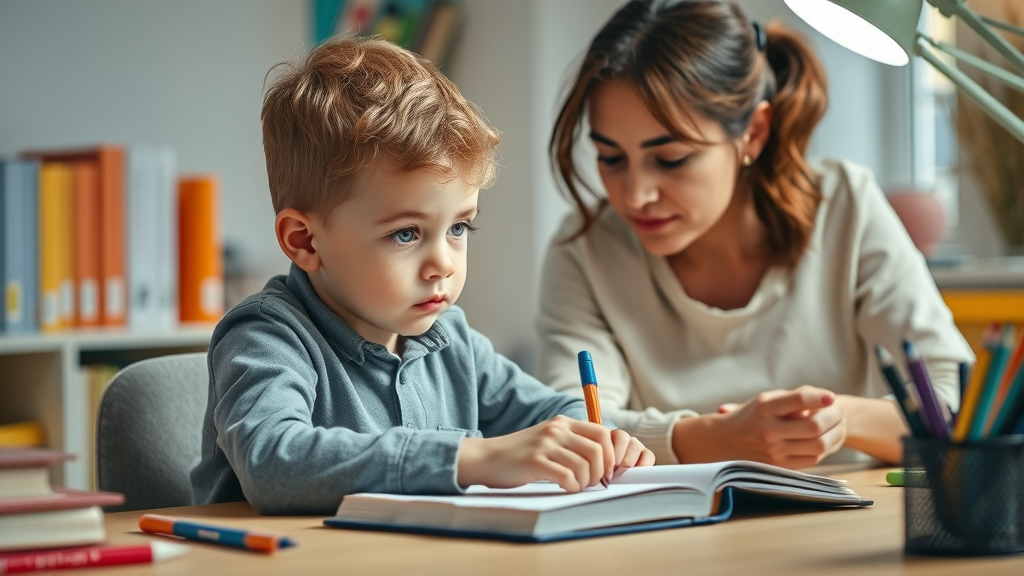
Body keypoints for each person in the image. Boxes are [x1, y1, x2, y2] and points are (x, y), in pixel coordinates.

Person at [190, 37, 654, 515]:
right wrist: (471, 457)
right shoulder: (267, 336)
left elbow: (549, 413)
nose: (444, 264)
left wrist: (595, 440)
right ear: (305, 241)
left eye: (458, 227)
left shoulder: (450, 337)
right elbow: (274, 463)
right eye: (407, 234)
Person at [538, 0, 973, 468]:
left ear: (754, 133)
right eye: (611, 157)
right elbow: (576, 430)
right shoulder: (584, 249)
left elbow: (954, 402)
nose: (636, 195)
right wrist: (719, 437)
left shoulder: (845, 204)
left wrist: (840, 419)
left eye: (671, 159)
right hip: (668, 533)